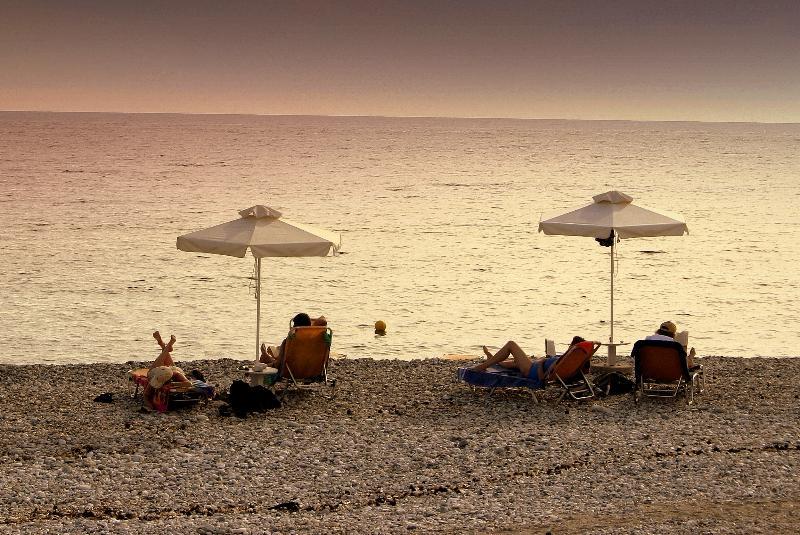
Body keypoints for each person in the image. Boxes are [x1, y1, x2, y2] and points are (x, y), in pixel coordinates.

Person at [472, 337, 599, 387]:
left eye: (569, 346)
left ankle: (483, 365)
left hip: (532, 371)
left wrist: (540, 363)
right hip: (534, 366)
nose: (568, 347)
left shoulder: (564, 361)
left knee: (511, 344)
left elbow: (544, 376)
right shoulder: (574, 363)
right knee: (516, 361)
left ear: (572, 347)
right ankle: (494, 360)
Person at [260, 312, 326, 365]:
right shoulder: (319, 340)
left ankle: (266, 355)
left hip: (291, 370)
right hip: (312, 370)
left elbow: (278, 364)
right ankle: (268, 355)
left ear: (295, 327)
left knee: (269, 356)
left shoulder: (290, 341)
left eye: (294, 325)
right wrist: (312, 328)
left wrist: (267, 365)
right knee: (277, 351)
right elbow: (323, 320)